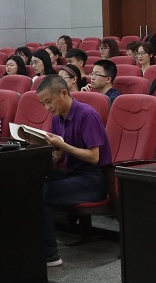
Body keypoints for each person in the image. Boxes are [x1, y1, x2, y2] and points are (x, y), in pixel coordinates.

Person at [36, 75, 112, 266]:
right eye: (43, 104)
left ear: (64, 93)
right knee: (31, 182)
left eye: (49, 102)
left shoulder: (87, 115)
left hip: (94, 179)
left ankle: (50, 255)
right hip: (72, 173)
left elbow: (94, 157)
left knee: (40, 194)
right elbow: (61, 154)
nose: (47, 108)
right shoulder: (57, 118)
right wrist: (53, 154)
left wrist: (63, 146)